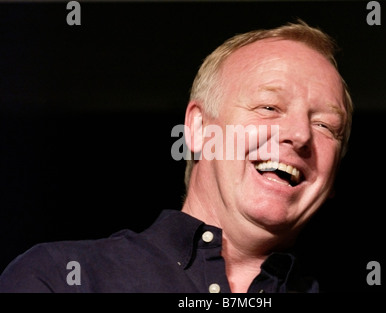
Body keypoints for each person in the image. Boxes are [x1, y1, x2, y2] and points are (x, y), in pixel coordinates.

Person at [0, 19, 353, 293]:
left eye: (325, 126)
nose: (301, 135)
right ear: (199, 129)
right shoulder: (60, 278)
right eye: (269, 106)